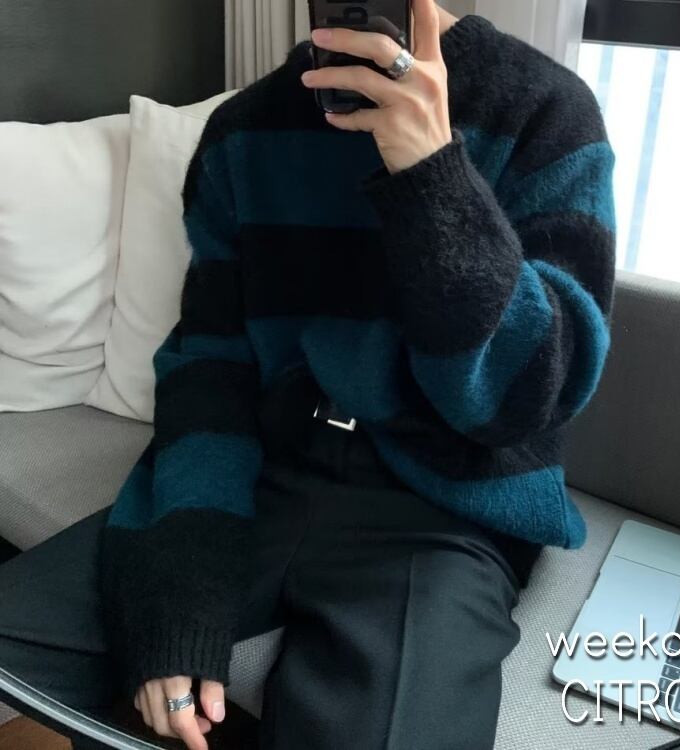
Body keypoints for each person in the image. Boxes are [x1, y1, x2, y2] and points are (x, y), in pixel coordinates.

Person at [0, 2, 616, 748]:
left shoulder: (545, 109)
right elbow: (210, 368)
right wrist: (179, 589)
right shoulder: (243, 130)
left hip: (443, 509)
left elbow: (528, 399)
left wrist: (432, 174)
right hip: (269, 469)